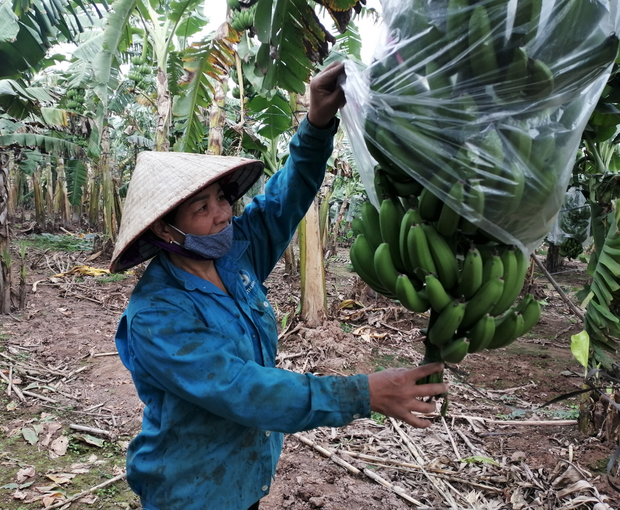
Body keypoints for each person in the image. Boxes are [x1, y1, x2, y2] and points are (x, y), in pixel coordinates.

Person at [110, 61, 448, 510]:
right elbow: (242, 389)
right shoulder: (157, 315)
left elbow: (284, 199)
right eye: (202, 208)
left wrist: (317, 122)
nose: (223, 214)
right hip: (189, 488)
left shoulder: (236, 254)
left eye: (223, 199)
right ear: (165, 231)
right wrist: (362, 393)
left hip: (242, 477)